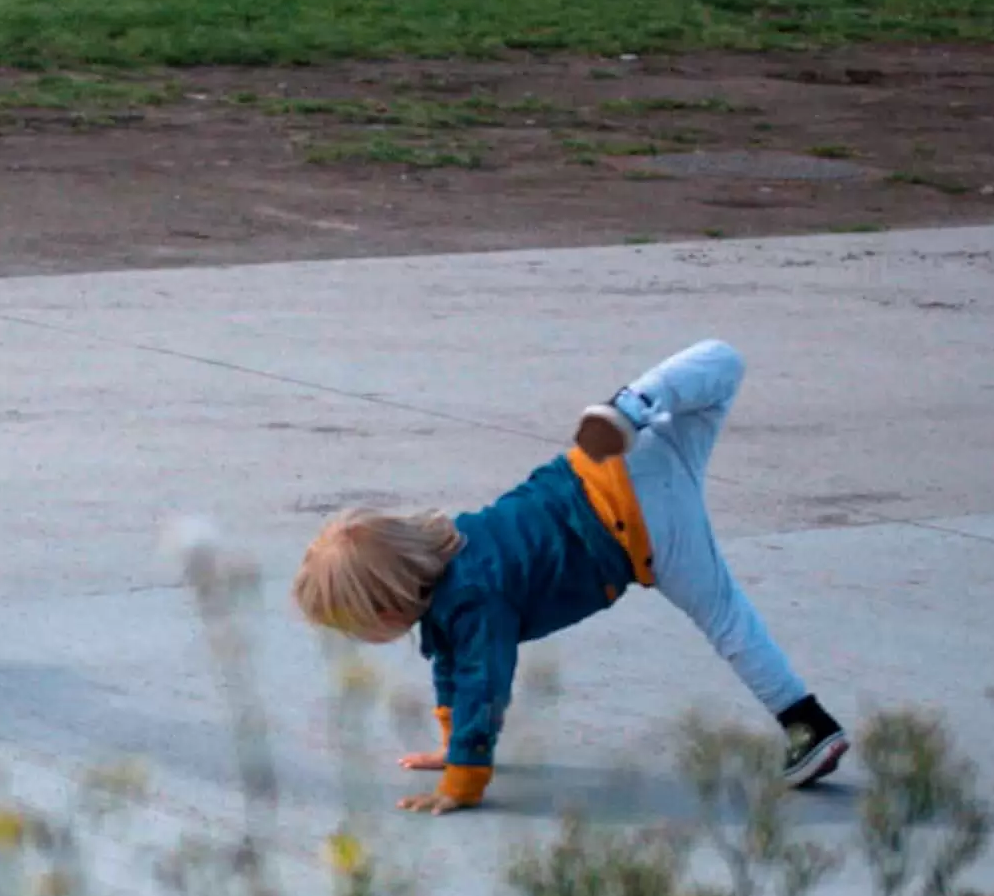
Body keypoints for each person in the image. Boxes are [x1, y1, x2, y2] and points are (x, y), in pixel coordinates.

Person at [292, 339, 846, 808]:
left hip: (638, 531)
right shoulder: (451, 558)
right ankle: (633, 404)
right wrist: (451, 744)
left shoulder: (472, 602)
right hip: (608, 462)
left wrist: (463, 778)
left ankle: (809, 723)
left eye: (352, 627)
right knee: (722, 362)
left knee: (728, 620)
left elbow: (482, 685)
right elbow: (452, 669)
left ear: (387, 611)